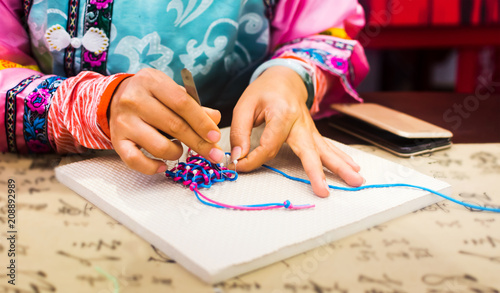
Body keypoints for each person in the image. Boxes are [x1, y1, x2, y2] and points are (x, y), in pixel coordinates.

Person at [1, 0, 369, 197]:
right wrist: (91, 105)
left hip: (236, 147)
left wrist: (290, 76)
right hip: (52, 180)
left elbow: (326, 26)